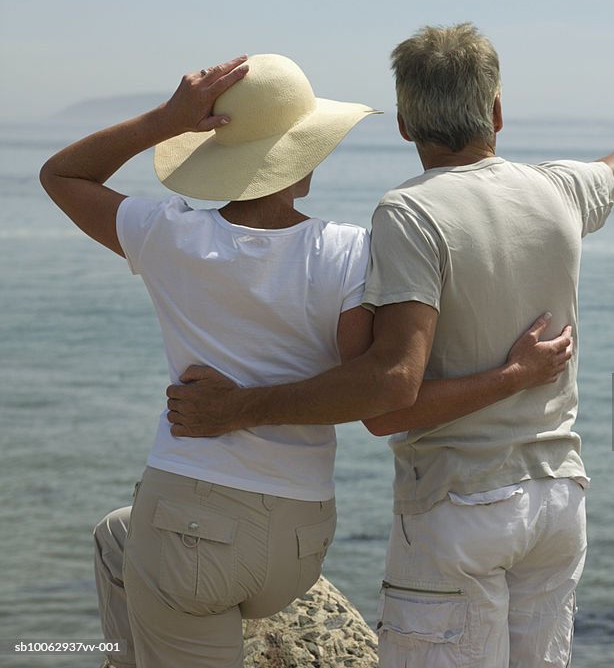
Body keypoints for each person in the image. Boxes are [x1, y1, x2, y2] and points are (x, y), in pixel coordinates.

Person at [166, 23, 614, 668]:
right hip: (557, 501)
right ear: (497, 110)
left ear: (405, 124)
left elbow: (389, 399)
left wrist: (242, 408)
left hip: (461, 506)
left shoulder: (410, 214)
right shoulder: (557, 190)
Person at [39, 53, 573, 668]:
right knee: (119, 535)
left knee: (142, 553)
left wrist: (166, 119)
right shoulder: (347, 251)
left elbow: (63, 175)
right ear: (305, 150)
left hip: (191, 520)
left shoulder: (167, 233)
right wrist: (514, 373)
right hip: (298, 539)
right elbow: (378, 384)